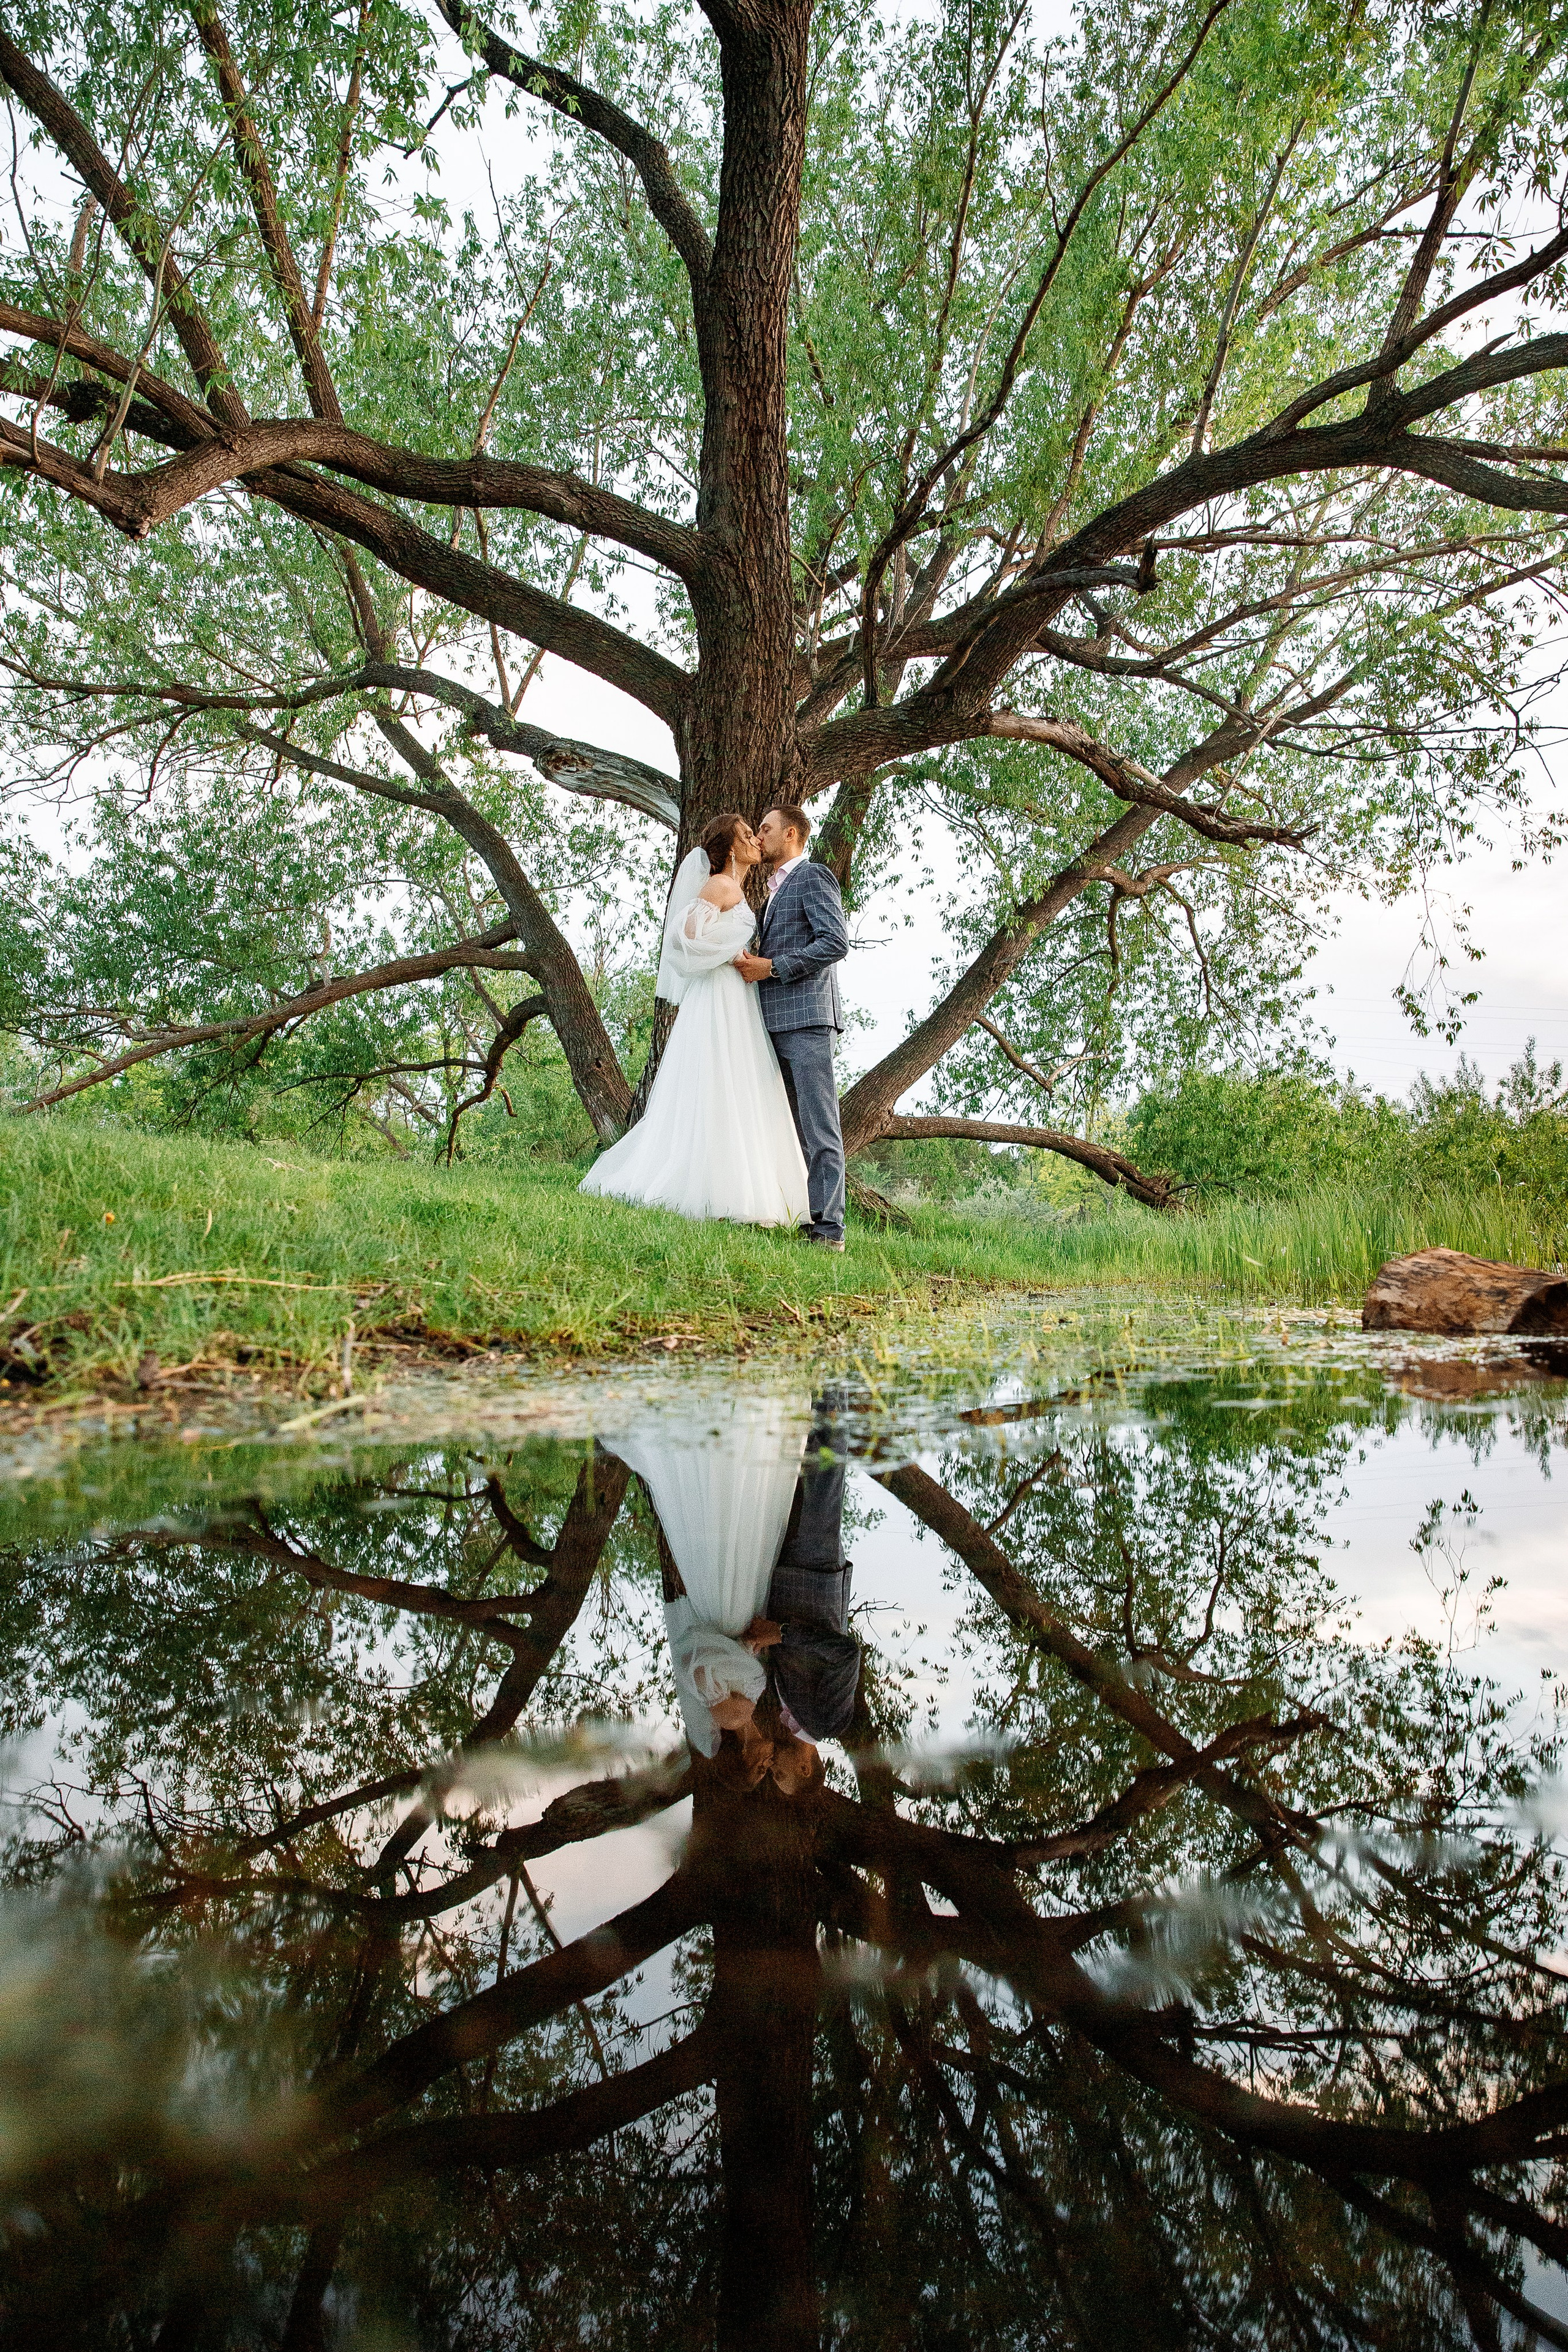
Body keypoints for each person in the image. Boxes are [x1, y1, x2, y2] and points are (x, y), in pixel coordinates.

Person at [578, 811, 809, 1226]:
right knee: (718, 1081)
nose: (756, 839)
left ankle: (738, 1185)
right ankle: (719, 1192)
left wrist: (735, 952)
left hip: (735, 997)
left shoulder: (734, 888)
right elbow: (683, 937)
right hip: (718, 995)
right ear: (730, 848)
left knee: (732, 1083)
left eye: (758, 833)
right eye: (746, 835)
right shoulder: (720, 884)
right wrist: (730, 950)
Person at [734, 805, 850, 1250]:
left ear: (793, 835)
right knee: (792, 1128)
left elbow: (835, 942)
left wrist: (773, 968)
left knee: (820, 1127)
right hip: (772, 1023)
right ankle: (804, 1217)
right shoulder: (772, 891)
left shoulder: (814, 877)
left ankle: (830, 1230)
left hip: (807, 1021)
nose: (759, 836)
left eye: (766, 829)